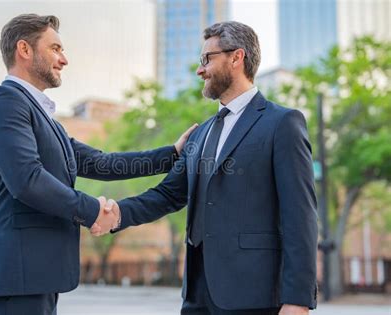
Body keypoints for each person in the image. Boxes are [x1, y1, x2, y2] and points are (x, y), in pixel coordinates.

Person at [0, 14, 196, 315]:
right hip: (13, 277)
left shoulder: (46, 122)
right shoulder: (3, 101)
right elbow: (27, 180)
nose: (64, 59)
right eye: (55, 48)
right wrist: (95, 212)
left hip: (35, 276)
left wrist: (172, 153)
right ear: (24, 50)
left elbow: (102, 164)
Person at [98, 21, 318, 315]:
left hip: (254, 296)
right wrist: (116, 214)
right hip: (197, 295)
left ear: (236, 58)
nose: (200, 70)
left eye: (207, 59)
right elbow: (167, 195)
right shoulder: (200, 134)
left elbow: (300, 217)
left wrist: (298, 300)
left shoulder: (282, 123)